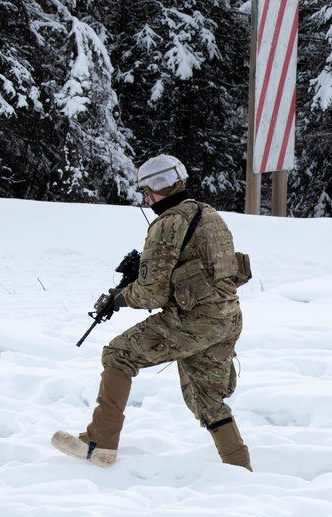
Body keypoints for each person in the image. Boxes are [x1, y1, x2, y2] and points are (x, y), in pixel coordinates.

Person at [52, 155, 252, 470]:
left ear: (161, 185)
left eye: (148, 191)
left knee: (119, 353)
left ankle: (99, 442)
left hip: (193, 322)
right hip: (227, 317)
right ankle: (240, 470)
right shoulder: (211, 215)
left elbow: (152, 292)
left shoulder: (168, 222)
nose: (146, 198)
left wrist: (119, 298)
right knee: (209, 400)